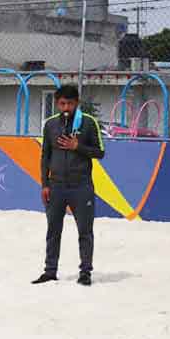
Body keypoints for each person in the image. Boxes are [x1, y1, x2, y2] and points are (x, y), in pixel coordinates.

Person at [33, 85, 105, 287]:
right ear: (57, 103)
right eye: (62, 103)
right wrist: (44, 184)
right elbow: (45, 156)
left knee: (85, 230)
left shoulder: (88, 123)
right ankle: (50, 271)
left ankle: (85, 273)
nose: (66, 107)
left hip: (81, 186)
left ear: (77, 103)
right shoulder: (50, 125)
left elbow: (100, 152)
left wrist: (77, 147)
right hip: (56, 186)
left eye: (70, 103)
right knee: (53, 230)